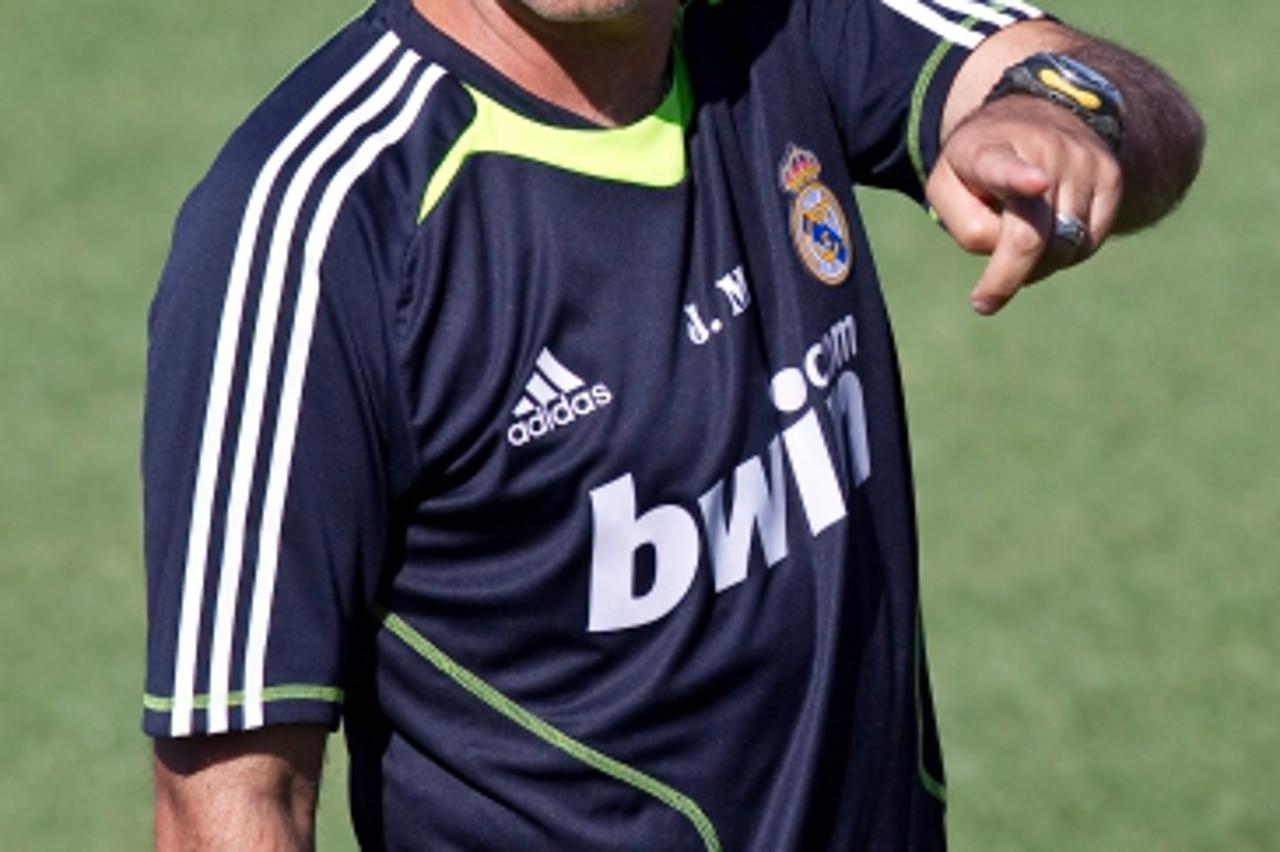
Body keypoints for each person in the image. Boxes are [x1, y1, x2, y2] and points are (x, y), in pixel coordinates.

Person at [142, 0, 1202, 848]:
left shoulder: (773, 25)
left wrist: (1064, 120)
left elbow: (1089, 83)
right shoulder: (311, 227)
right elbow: (228, 802)